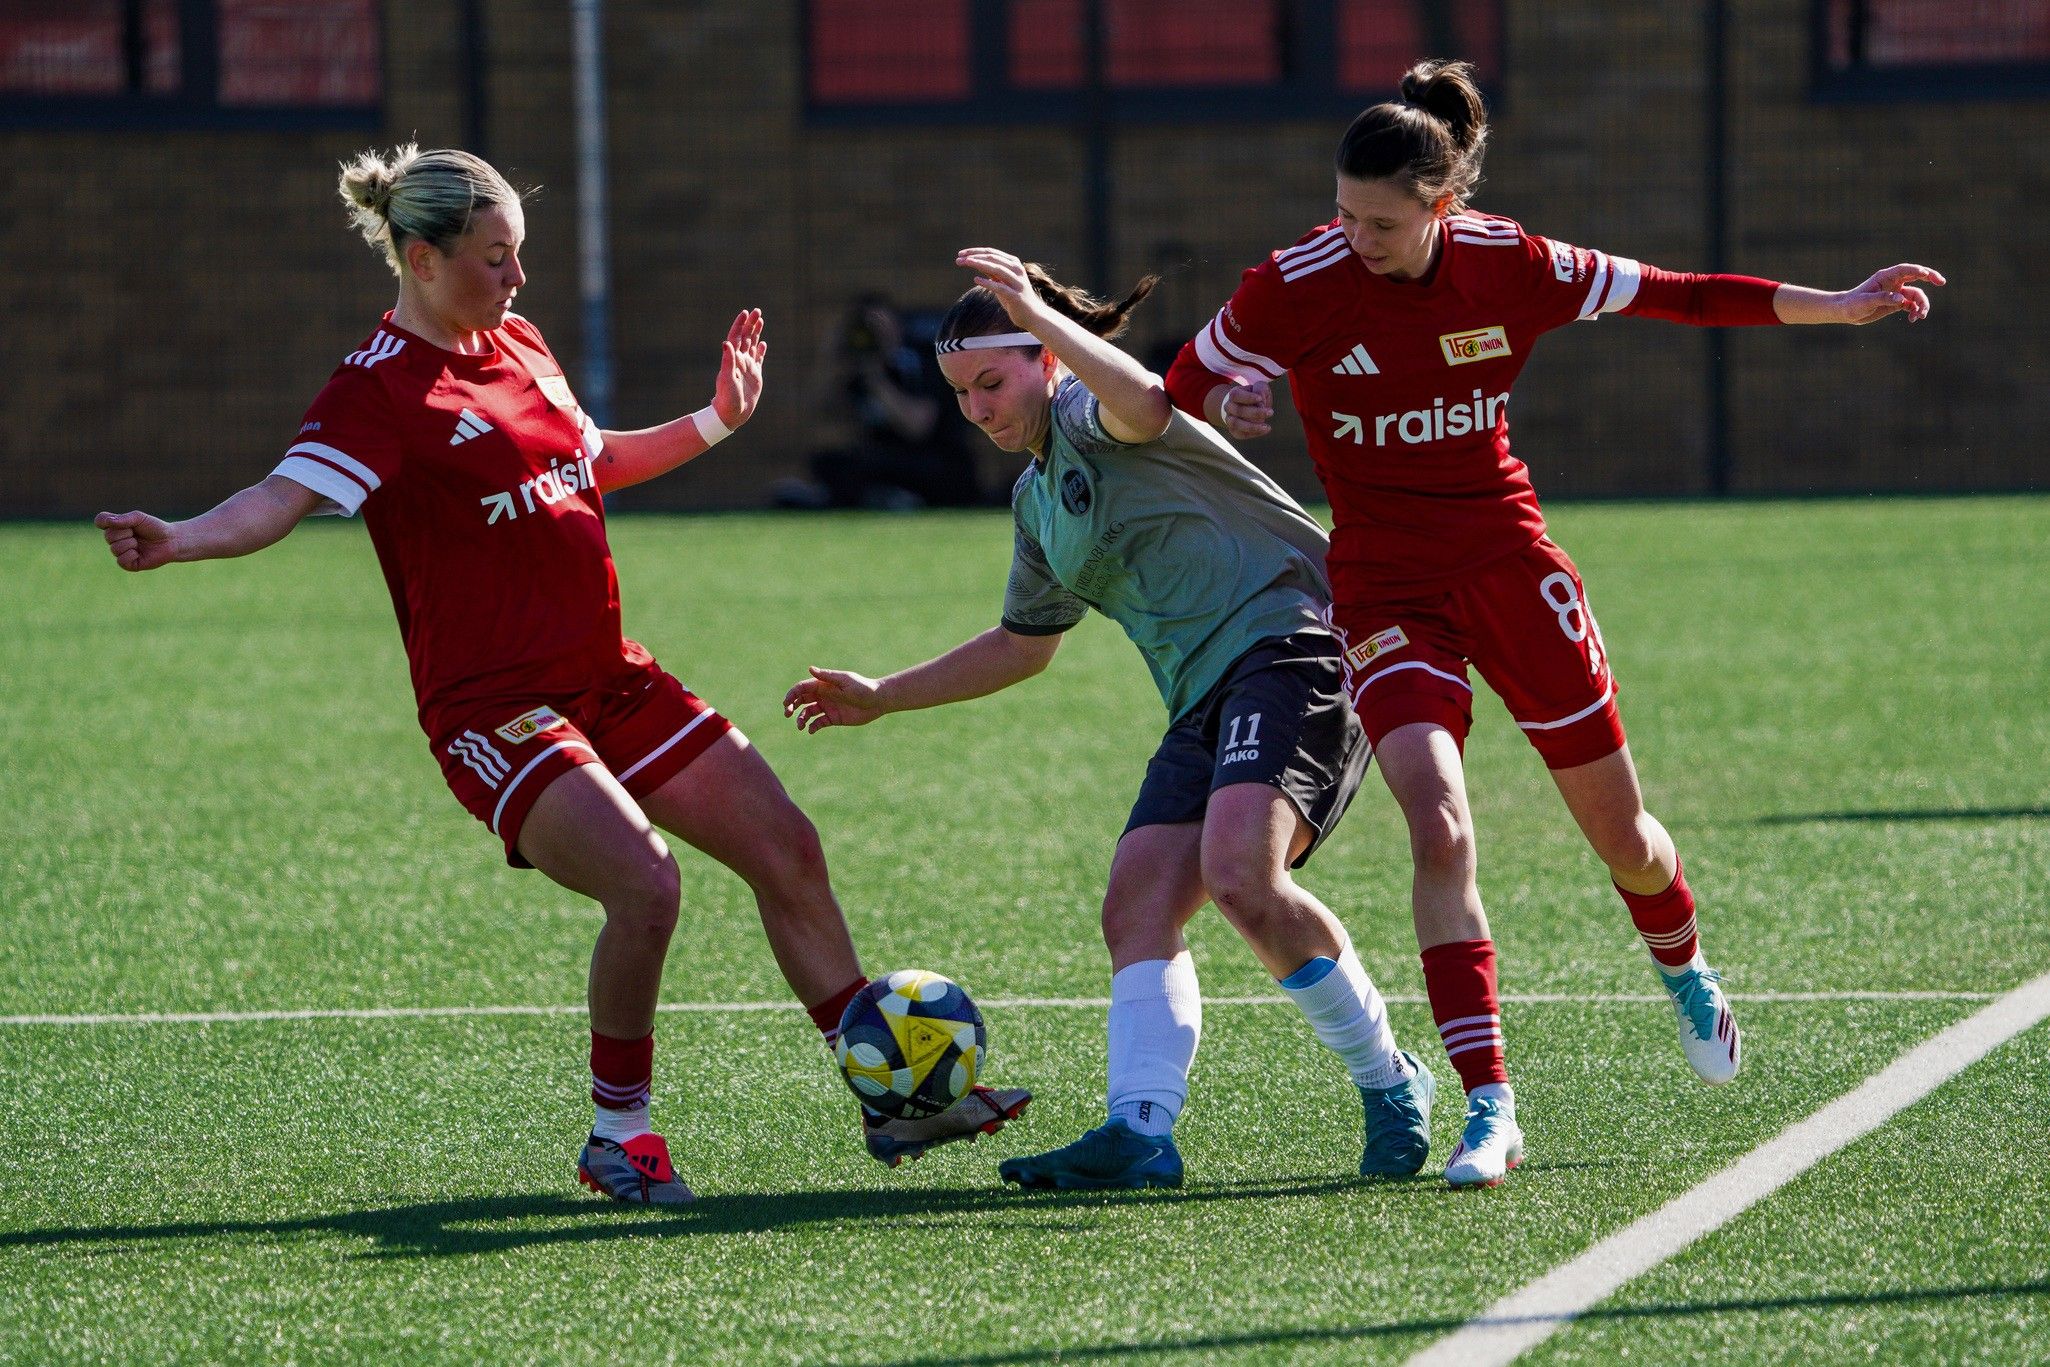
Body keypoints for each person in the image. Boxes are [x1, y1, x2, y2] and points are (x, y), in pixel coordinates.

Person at [93, 144, 1027, 1205]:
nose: (516, 278)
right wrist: (179, 537)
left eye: (519, 255)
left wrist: (719, 416)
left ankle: (893, 1095)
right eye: (495, 258)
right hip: (495, 711)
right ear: (420, 257)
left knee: (787, 848)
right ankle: (615, 1134)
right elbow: (275, 500)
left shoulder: (520, 342)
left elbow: (594, 459)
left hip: (609, 676)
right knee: (646, 883)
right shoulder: (378, 392)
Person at [1163, 60, 1944, 1187]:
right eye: (1340, 211)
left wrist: (1834, 301)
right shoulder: (1295, 281)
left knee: (1621, 834)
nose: (1353, 236)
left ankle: (1682, 967)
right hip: (1385, 587)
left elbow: (1679, 291)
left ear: (1444, 207)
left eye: (1379, 221)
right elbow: (1180, 390)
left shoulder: (1511, 263)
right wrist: (1231, 396)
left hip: (1507, 564)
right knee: (1439, 823)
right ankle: (1491, 1109)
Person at [783, 247, 1436, 1190]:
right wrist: (884, 695)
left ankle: (1390, 1079)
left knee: (1242, 875)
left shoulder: (1092, 411)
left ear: (1046, 359)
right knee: (1136, 902)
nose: (978, 408)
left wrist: (1048, 324)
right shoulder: (1035, 498)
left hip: (1294, 647)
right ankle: (1140, 1131)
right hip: (1204, 695)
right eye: (962, 391)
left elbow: (1144, 402)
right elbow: (1023, 644)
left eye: (993, 381)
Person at [775, 294, 986, 510]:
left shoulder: (921, 362)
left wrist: (877, 377)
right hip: (879, 459)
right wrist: (832, 356)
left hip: (931, 459)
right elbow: (817, 412)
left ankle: (889, 498)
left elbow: (918, 426)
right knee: (830, 463)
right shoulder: (855, 370)